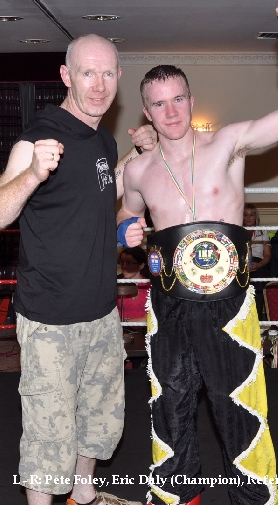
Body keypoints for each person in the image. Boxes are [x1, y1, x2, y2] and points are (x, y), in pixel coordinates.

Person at [117, 4, 278, 504]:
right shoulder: (139, 170)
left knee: (240, 406)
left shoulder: (227, 144)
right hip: (168, 304)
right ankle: (175, 497)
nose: (171, 112)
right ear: (146, 111)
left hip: (229, 304)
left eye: (177, 99)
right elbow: (126, 210)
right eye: (159, 104)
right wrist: (126, 229)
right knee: (170, 407)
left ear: (191, 100)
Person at [0, 34, 157, 505]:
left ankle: (84, 495)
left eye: (108, 73)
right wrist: (32, 174)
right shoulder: (38, 136)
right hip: (49, 318)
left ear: (119, 78)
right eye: (88, 73)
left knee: (100, 419)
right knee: (48, 434)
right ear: (67, 76)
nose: (99, 85)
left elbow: (94, 197)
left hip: (101, 312)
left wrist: (135, 158)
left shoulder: (102, 140)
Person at [243, 203, 271, 319]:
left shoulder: (263, 231)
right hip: (242, 264)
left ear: (256, 217)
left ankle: (258, 319)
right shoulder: (238, 231)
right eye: (245, 215)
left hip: (259, 264)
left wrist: (258, 265)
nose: (248, 218)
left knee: (258, 287)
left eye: (251, 215)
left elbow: (268, 255)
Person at [117, 246, 150, 322]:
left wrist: (125, 321)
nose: (124, 266)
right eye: (122, 262)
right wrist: (132, 321)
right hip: (120, 328)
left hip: (145, 329)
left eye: (129, 262)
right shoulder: (116, 284)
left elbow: (151, 318)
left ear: (141, 265)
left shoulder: (150, 285)